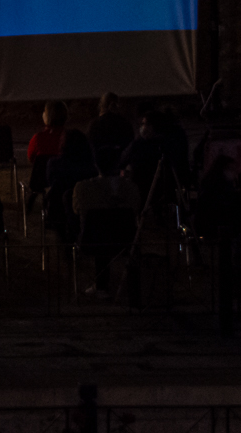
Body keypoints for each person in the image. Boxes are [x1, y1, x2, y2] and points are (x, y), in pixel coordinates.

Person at [72, 161, 143, 295]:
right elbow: (137, 208)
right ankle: (133, 290)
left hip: (93, 241)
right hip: (126, 241)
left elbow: (76, 209)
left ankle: (101, 286)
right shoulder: (131, 189)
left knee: (101, 231)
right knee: (106, 229)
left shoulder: (83, 188)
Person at [120, 106, 191, 204]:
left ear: (152, 126)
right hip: (165, 190)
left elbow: (123, 160)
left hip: (144, 190)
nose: (142, 127)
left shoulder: (139, 145)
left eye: (144, 124)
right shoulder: (171, 144)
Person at [44, 129, 100, 243]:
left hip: (58, 208)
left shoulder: (54, 163)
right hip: (85, 208)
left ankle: (66, 242)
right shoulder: (90, 167)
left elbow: (50, 181)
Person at [25, 101, 68, 209]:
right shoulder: (69, 137)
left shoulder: (38, 138)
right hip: (66, 180)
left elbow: (31, 158)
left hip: (40, 181)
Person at [88, 92, 135, 174]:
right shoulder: (124, 123)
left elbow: (90, 145)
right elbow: (130, 145)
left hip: (100, 167)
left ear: (101, 105)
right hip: (120, 167)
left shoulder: (95, 124)